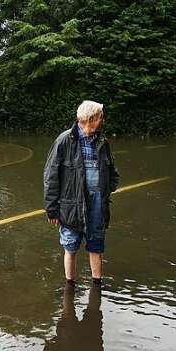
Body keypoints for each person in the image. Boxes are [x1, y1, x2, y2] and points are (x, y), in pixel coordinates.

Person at [43, 100, 120, 286]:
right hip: (71, 205)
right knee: (70, 246)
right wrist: (52, 209)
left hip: (97, 205)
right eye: (100, 117)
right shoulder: (64, 140)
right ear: (90, 119)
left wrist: (108, 189)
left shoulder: (102, 141)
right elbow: (50, 176)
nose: (102, 120)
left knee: (96, 244)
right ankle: (70, 286)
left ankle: (97, 285)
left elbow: (112, 171)